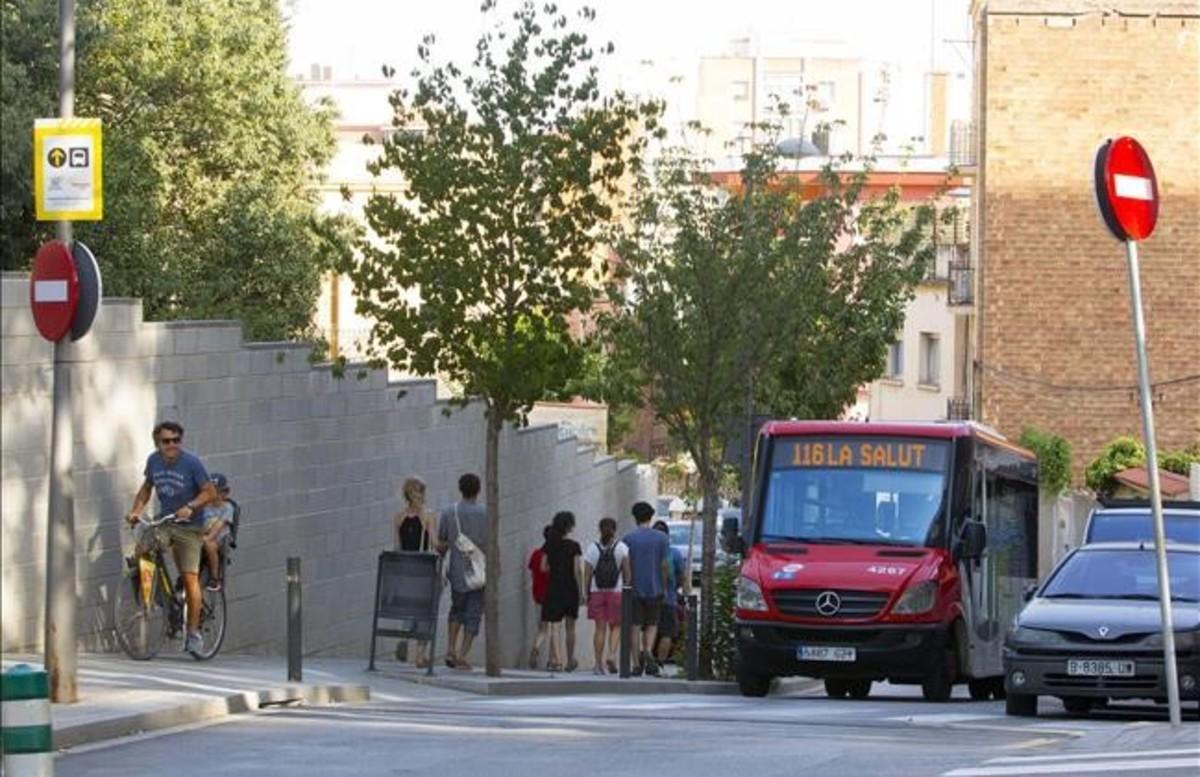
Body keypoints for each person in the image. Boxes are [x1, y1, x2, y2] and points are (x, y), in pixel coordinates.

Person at [126, 421, 216, 655]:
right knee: (141, 551)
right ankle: (159, 601)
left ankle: (193, 632)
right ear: (158, 443)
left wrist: (191, 506)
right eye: (167, 441)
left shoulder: (192, 463)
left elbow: (210, 492)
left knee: (189, 579)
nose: (172, 445)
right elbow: (147, 488)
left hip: (189, 526)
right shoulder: (153, 461)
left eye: (176, 440)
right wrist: (136, 511)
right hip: (166, 521)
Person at [436, 473, 487, 671]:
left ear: (460, 489)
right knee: (473, 614)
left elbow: (442, 543)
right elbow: (491, 542)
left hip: (457, 569)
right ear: (479, 490)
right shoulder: (486, 513)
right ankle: (462, 655)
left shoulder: (450, 512)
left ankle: (450, 649)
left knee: (456, 610)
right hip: (479, 570)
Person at [393, 475, 438, 668]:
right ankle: (420, 655)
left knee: (409, 609)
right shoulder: (428, 516)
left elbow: (396, 547)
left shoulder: (398, 517)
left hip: (405, 570)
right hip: (424, 571)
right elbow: (434, 544)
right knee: (426, 613)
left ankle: (404, 638)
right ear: (421, 493)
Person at [622, 501, 669, 676]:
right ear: (651, 516)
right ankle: (648, 650)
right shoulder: (662, 538)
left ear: (635, 517)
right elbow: (664, 565)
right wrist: (664, 586)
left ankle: (636, 664)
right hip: (655, 587)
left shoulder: (627, 539)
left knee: (634, 627)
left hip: (634, 590)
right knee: (652, 624)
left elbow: (625, 565)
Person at [583, 516, 630, 675]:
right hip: (616, 592)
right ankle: (611, 655)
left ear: (599, 529)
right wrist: (627, 589)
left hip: (597, 592)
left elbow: (587, 574)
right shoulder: (622, 548)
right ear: (615, 530)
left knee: (599, 629)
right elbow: (627, 573)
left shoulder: (592, 548)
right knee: (616, 626)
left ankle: (597, 665)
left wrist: (586, 593)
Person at [540, 511, 583, 672]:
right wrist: (582, 592)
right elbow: (577, 570)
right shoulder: (574, 546)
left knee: (554, 625)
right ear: (570, 527)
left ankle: (555, 660)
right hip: (570, 588)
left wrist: (555, 568)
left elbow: (543, 567)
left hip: (554, 587)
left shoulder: (549, 544)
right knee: (570, 627)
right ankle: (570, 659)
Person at [653, 520, 690, 666]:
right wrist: (678, 588)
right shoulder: (674, 553)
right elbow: (682, 576)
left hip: (646, 597)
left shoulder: (647, 553)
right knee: (667, 633)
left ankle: (643, 662)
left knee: (647, 630)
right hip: (668, 599)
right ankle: (659, 663)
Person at [200, 473, 235, 593]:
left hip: (220, 540)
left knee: (210, 544)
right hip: (204, 536)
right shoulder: (204, 507)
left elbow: (219, 525)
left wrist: (208, 538)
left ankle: (214, 578)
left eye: (218, 492)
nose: (214, 496)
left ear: (224, 493)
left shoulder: (227, 507)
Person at [526, 525, 552, 670]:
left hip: (537, 595)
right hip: (550, 595)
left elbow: (532, 575)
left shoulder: (535, 554)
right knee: (551, 629)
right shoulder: (554, 556)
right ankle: (552, 660)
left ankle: (536, 647)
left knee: (541, 628)